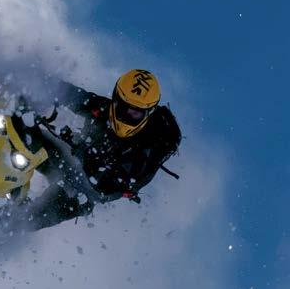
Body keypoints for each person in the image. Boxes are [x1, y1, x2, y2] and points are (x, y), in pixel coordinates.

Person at [30, 69, 182, 229]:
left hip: (87, 191)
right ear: (116, 98)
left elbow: (106, 188)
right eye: (123, 107)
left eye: (135, 114)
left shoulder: (147, 151)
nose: (126, 116)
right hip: (72, 158)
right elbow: (75, 96)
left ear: (148, 114)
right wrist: (37, 82)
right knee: (28, 132)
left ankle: (14, 224)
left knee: (34, 217)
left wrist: (83, 152)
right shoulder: (105, 109)